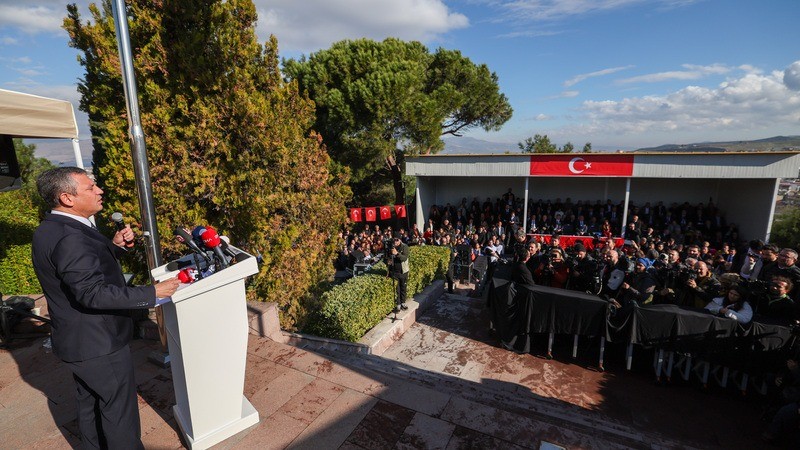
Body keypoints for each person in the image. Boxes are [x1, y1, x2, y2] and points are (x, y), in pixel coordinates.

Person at [31, 167, 180, 450]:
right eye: (90, 188)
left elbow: (76, 271)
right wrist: (152, 293)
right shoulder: (70, 237)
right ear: (67, 198)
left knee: (91, 409)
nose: (99, 191)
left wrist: (112, 248)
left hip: (77, 343)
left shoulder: (50, 228)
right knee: (119, 416)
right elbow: (91, 293)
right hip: (98, 344)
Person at [387, 232, 410, 312]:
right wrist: (388, 260)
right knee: (397, 289)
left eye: (397, 240)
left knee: (403, 287)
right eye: (394, 240)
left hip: (403, 271)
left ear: (400, 240)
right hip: (394, 271)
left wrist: (397, 254)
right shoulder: (391, 247)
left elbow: (405, 258)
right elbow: (385, 258)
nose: (395, 242)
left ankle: (403, 302)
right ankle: (398, 304)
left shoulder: (405, 247)